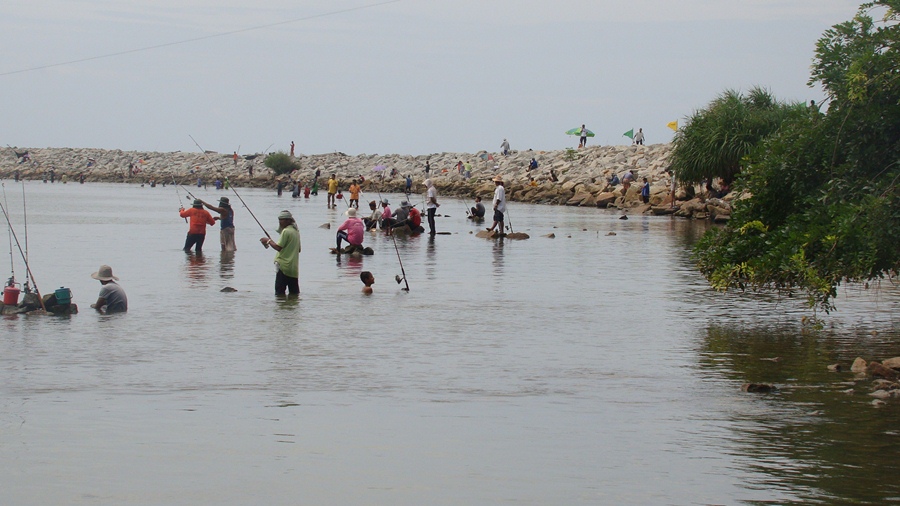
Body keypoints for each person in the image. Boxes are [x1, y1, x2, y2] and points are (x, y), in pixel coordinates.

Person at [260, 210, 301, 296]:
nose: (280, 222)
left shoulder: (286, 231)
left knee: (279, 293)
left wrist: (268, 240)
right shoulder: (296, 232)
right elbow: (299, 249)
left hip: (283, 267)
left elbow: (278, 247)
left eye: (282, 220)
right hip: (293, 268)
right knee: (294, 293)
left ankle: (281, 308)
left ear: (288, 220)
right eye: (279, 220)